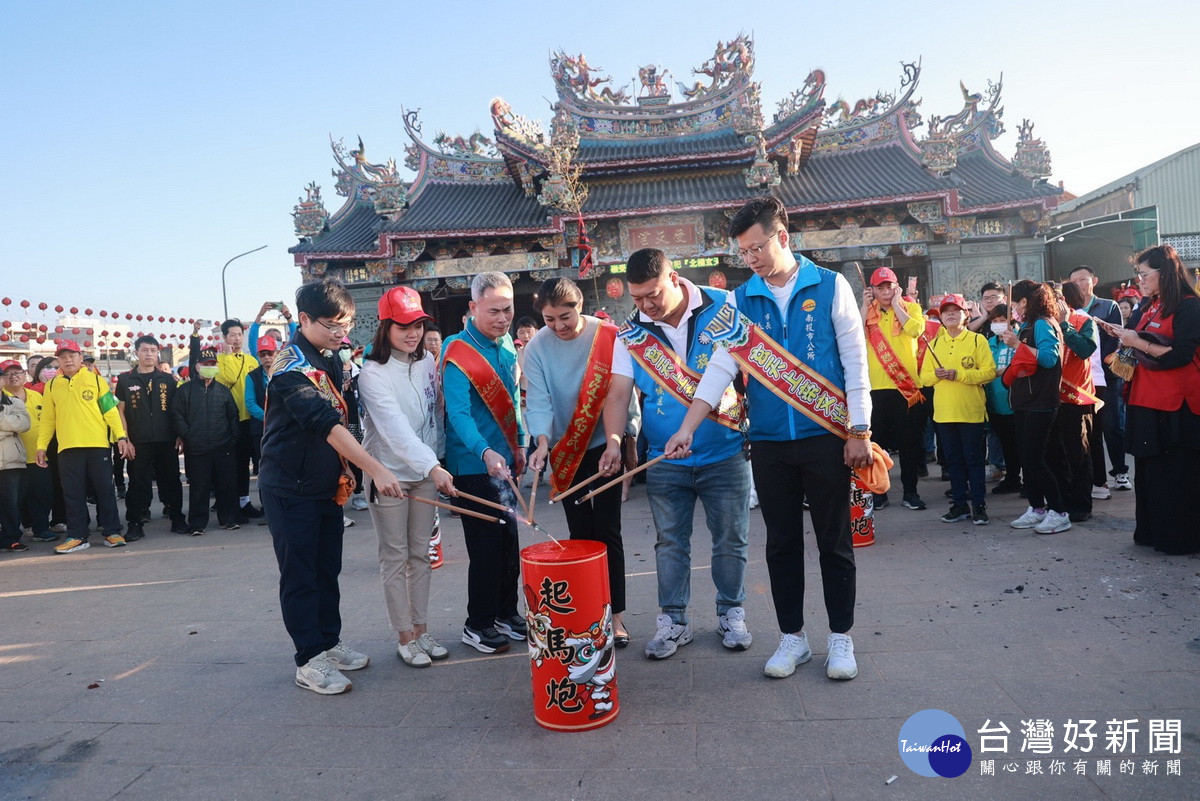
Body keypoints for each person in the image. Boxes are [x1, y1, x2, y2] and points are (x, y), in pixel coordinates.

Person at [663, 197, 870, 681]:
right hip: (771, 443)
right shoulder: (741, 300)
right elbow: (719, 369)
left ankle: (841, 638)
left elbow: (856, 360)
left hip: (827, 436)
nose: (751, 258)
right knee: (780, 544)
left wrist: (859, 428)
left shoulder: (831, 285)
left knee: (834, 541)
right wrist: (687, 428)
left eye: (757, 247)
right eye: (744, 251)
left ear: (783, 238)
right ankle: (792, 638)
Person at [600, 248, 752, 661]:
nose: (647, 305)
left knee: (730, 539)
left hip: (725, 449)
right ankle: (673, 621)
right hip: (665, 459)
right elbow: (618, 393)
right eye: (637, 298)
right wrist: (614, 441)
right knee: (669, 543)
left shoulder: (725, 306)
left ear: (674, 276)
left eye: (653, 293)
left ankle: (731, 612)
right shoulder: (631, 333)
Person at [259, 279, 404, 694]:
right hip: (288, 486)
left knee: (327, 569)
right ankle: (308, 659)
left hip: (324, 482)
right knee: (300, 573)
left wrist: (351, 468)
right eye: (332, 325)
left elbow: (349, 417)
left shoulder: (332, 358)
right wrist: (375, 468)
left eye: (348, 324)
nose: (342, 333)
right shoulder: (289, 368)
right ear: (303, 319)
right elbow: (326, 424)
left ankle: (328, 641)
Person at [524, 278, 629, 646]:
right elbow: (538, 401)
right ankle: (589, 613)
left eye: (564, 317)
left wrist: (618, 440)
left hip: (606, 446)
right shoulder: (536, 346)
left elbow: (621, 394)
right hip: (566, 449)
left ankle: (615, 616)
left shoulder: (609, 336)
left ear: (579, 304)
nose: (558, 327)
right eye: (550, 319)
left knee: (608, 531)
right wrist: (540, 442)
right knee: (580, 537)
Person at [358, 286, 454, 667]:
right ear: (385, 327)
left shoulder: (428, 362)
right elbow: (395, 429)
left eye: (417, 324)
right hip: (390, 477)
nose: (412, 332)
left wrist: (434, 463)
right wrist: (432, 465)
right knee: (395, 557)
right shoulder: (372, 373)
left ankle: (422, 628)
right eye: (403, 325)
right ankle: (403, 637)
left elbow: (432, 418)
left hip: (426, 470)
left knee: (422, 554)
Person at [442, 271, 527, 654]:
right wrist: (484, 451)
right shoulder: (456, 349)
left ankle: (506, 614)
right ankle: (477, 623)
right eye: (494, 311)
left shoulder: (507, 344)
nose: (502, 318)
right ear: (473, 307)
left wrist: (520, 445)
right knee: (486, 549)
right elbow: (458, 415)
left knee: (510, 544)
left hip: (505, 461)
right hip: (473, 466)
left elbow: (513, 401)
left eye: (507, 310)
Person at [1103, 245, 1199, 554]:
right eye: (1139, 274)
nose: (1140, 279)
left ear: (1164, 272)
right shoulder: (1152, 304)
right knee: (1150, 471)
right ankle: (1152, 531)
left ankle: (1180, 538)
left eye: (1145, 274)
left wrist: (1137, 343)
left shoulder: (1188, 306)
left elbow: (1181, 355)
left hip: (1177, 403)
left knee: (1176, 472)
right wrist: (1123, 335)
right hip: (1145, 398)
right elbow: (1139, 338)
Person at [36, 340, 132, 554]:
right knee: (72, 493)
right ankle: (77, 536)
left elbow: (110, 412)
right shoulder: (52, 386)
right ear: (58, 360)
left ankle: (111, 532)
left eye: (72, 355)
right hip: (67, 449)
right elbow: (48, 420)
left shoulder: (97, 381)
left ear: (81, 358)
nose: (68, 360)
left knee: (104, 490)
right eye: (63, 357)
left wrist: (121, 436)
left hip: (97, 446)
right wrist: (41, 445)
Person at [999, 280, 1070, 534]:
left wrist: (1018, 346)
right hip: (1025, 400)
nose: (1014, 308)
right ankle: (1037, 508)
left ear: (1025, 301)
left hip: (1041, 401)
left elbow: (1050, 359)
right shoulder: (1028, 325)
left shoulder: (1042, 323)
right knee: (1027, 459)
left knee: (1034, 459)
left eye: (1015, 303)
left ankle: (1059, 511)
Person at [919, 295, 996, 525]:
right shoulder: (934, 344)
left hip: (971, 412)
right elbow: (924, 377)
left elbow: (989, 372)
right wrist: (937, 375)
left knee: (974, 461)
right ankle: (960, 505)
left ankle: (979, 506)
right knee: (953, 462)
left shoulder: (976, 341)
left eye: (956, 310)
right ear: (941, 318)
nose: (950, 314)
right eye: (946, 311)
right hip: (943, 414)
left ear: (966, 315)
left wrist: (958, 374)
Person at [861, 266, 927, 510]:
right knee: (876, 444)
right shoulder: (868, 311)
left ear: (896, 287)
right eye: (880, 288)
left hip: (907, 389)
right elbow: (854, 334)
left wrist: (899, 303)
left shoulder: (912, 308)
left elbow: (916, 330)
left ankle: (911, 492)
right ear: (873, 290)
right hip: (875, 389)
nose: (886, 291)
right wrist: (864, 304)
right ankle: (879, 493)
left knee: (909, 444)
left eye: (889, 286)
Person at [115, 336, 189, 540]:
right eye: (145, 350)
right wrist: (125, 438)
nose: (149, 354)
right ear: (136, 352)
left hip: (166, 440)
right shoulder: (125, 380)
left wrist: (179, 435)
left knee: (172, 481)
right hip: (138, 441)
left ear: (158, 353)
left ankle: (177, 519)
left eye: (153, 350)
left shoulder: (167, 380)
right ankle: (135, 523)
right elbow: (120, 411)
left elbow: (176, 410)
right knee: (137, 483)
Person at [1068, 265, 1130, 494]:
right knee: (1090, 430)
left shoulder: (1107, 306)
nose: (1079, 284)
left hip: (1107, 375)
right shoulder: (1069, 310)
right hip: (1083, 378)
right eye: (1073, 281)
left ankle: (1120, 471)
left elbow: (1115, 340)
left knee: (1112, 425)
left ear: (1094, 280)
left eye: (1083, 279)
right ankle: (1098, 479)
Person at [191, 318, 261, 520]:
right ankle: (231, 504)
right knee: (234, 466)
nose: (237, 338)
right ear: (224, 337)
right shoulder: (217, 361)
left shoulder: (251, 361)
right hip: (230, 421)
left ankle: (245, 501)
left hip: (251, 419)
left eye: (240, 334)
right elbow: (229, 377)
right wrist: (228, 355)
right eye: (232, 335)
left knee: (250, 464)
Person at [174, 347, 240, 535]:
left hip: (223, 446)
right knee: (198, 488)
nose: (209, 367)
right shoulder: (185, 390)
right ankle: (197, 524)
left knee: (226, 486)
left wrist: (233, 438)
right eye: (206, 364)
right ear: (197, 366)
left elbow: (232, 416)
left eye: (212, 364)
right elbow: (176, 414)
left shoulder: (223, 391)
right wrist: (187, 434)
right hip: (197, 448)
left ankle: (228, 519)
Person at [1049, 281, 1099, 523]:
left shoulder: (1084, 321)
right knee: (1055, 453)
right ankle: (1061, 502)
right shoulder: (1043, 325)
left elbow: (1085, 349)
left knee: (1078, 453)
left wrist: (1064, 325)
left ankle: (1081, 504)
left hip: (1076, 397)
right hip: (1050, 398)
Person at [2, 362, 54, 542]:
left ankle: (41, 529)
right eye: (8, 374)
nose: (14, 376)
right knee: (14, 500)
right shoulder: (3, 397)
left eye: (17, 372)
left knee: (42, 494)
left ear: (25, 375)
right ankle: (12, 534)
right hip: (12, 459)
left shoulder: (37, 396)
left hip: (39, 455)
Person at [984, 304, 1022, 495]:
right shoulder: (989, 342)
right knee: (1006, 443)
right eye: (995, 321)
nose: (998, 324)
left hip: (1017, 402)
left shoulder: (1020, 338)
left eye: (1002, 320)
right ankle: (1013, 478)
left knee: (1022, 444)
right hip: (995, 403)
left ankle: (1029, 481)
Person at [422, 323, 445, 569]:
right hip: (406, 450)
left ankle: (434, 547)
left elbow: (438, 405)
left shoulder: (429, 363)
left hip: (431, 442)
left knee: (431, 498)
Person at [0, 375, 32, 552]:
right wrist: (6, 428)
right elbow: (13, 425)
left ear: (2, 381)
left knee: (11, 502)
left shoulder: (15, 402)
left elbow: (23, 424)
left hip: (11, 459)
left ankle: (11, 537)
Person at [244, 335, 277, 500]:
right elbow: (249, 403)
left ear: (276, 353)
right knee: (263, 468)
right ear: (258, 356)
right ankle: (267, 505)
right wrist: (268, 418)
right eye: (263, 354)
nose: (267, 358)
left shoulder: (283, 373)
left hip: (281, 428)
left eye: (269, 353)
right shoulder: (251, 376)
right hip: (260, 429)